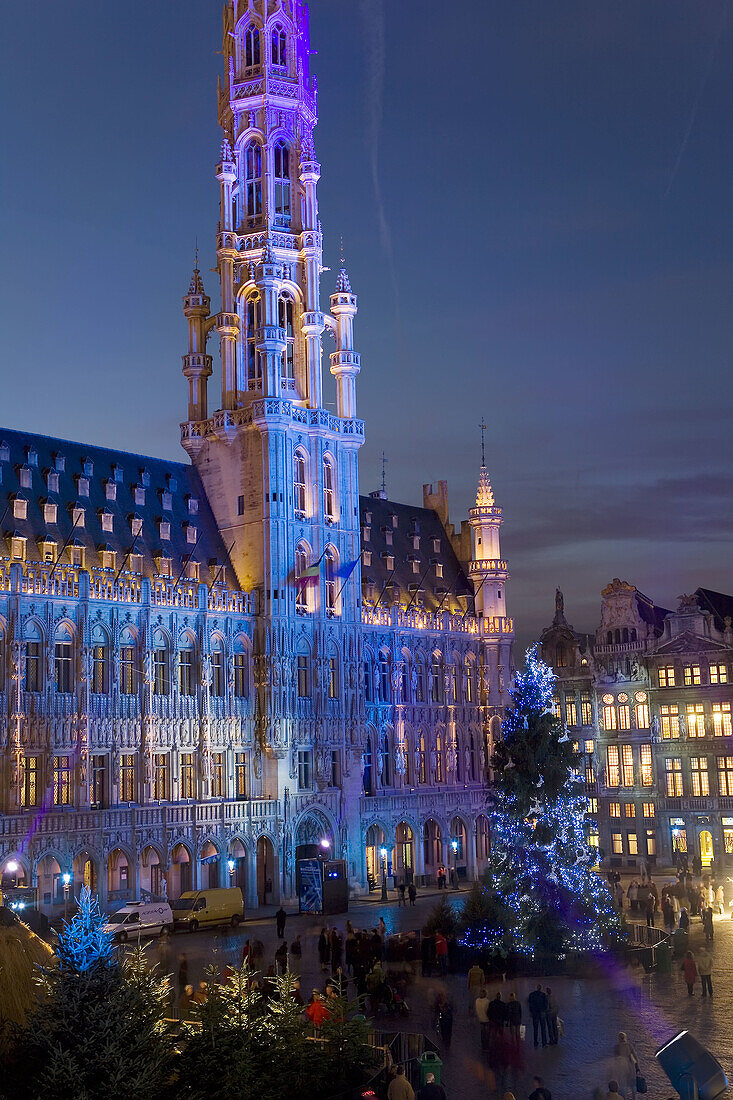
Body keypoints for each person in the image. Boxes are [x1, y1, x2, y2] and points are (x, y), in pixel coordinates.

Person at [612, 1031, 639, 1098]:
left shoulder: (617, 1047)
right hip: (631, 1066)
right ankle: (634, 1097)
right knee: (633, 1084)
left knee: (623, 1084)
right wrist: (637, 1066)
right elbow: (635, 1056)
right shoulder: (629, 1045)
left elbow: (615, 1058)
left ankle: (624, 1098)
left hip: (622, 1067)